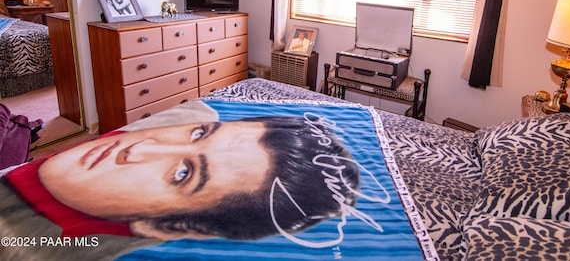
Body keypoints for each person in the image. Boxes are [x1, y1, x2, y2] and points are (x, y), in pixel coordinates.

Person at [4, 111, 360, 242]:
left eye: (183, 173)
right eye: (199, 133)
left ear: (168, 227)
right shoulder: (194, 111)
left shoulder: (30, 243)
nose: (140, 148)